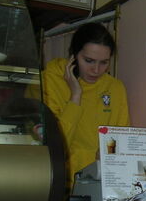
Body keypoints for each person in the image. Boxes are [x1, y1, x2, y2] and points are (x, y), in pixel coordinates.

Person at [41, 22, 130, 190]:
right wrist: (75, 96)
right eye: (89, 61)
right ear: (73, 55)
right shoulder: (49, 80)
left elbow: (121, 139)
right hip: (58, 179)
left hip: (100, 182)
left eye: (104, 62)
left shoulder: (115, 87)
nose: (96, 70)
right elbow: (55, 144)